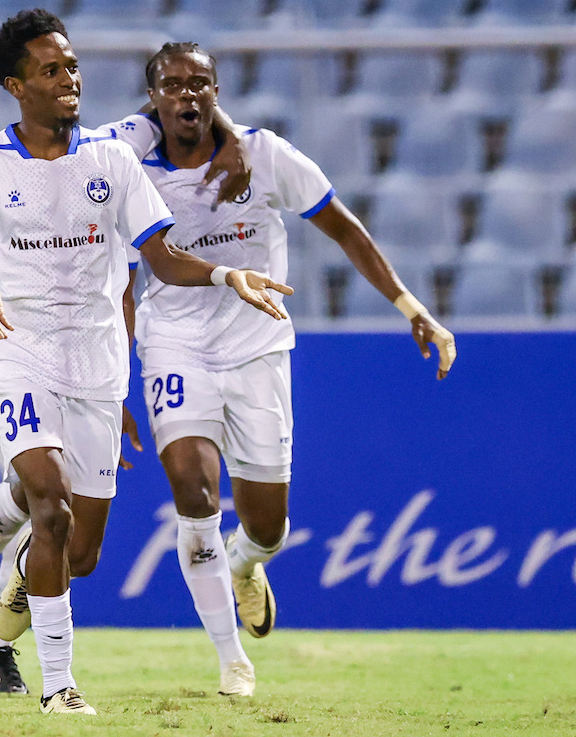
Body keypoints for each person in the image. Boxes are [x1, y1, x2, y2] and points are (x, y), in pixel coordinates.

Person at [0, 9, 291, 716]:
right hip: (13, 345)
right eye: (51, 70)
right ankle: (60, 687)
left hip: (96, 356)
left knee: (78, 550)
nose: (69, 80)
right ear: (14, 85)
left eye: (73, 67)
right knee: (50, 505)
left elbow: (160, 256)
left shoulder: (111, 161)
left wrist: (222, 275)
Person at [109, 42, 458, 695]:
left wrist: (411, 306)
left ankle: (246, 565)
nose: (188, 95)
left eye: (201, 83)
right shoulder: (130, 165)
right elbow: (126, 279)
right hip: (174, 345)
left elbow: (344, 227)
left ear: (218, 92)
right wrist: (116, 380)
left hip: (258, 349)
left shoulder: (263, 155)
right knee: (194, 490)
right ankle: (231, 660)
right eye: (173, 84)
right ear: (152, 96)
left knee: (266, 525)